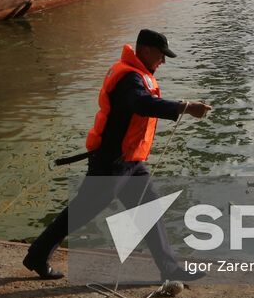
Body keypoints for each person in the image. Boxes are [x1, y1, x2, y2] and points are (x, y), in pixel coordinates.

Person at [23, 29, 212, 283]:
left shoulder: (137, 74)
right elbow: (141, 104)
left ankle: (169, 269)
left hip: (132, 163)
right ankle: (37, 255)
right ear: (146, 50)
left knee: (149, 211)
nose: (163, 61)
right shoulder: (130, 79)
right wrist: (184, 107)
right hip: (112, 164)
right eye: (161, 55)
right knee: (82, 211)